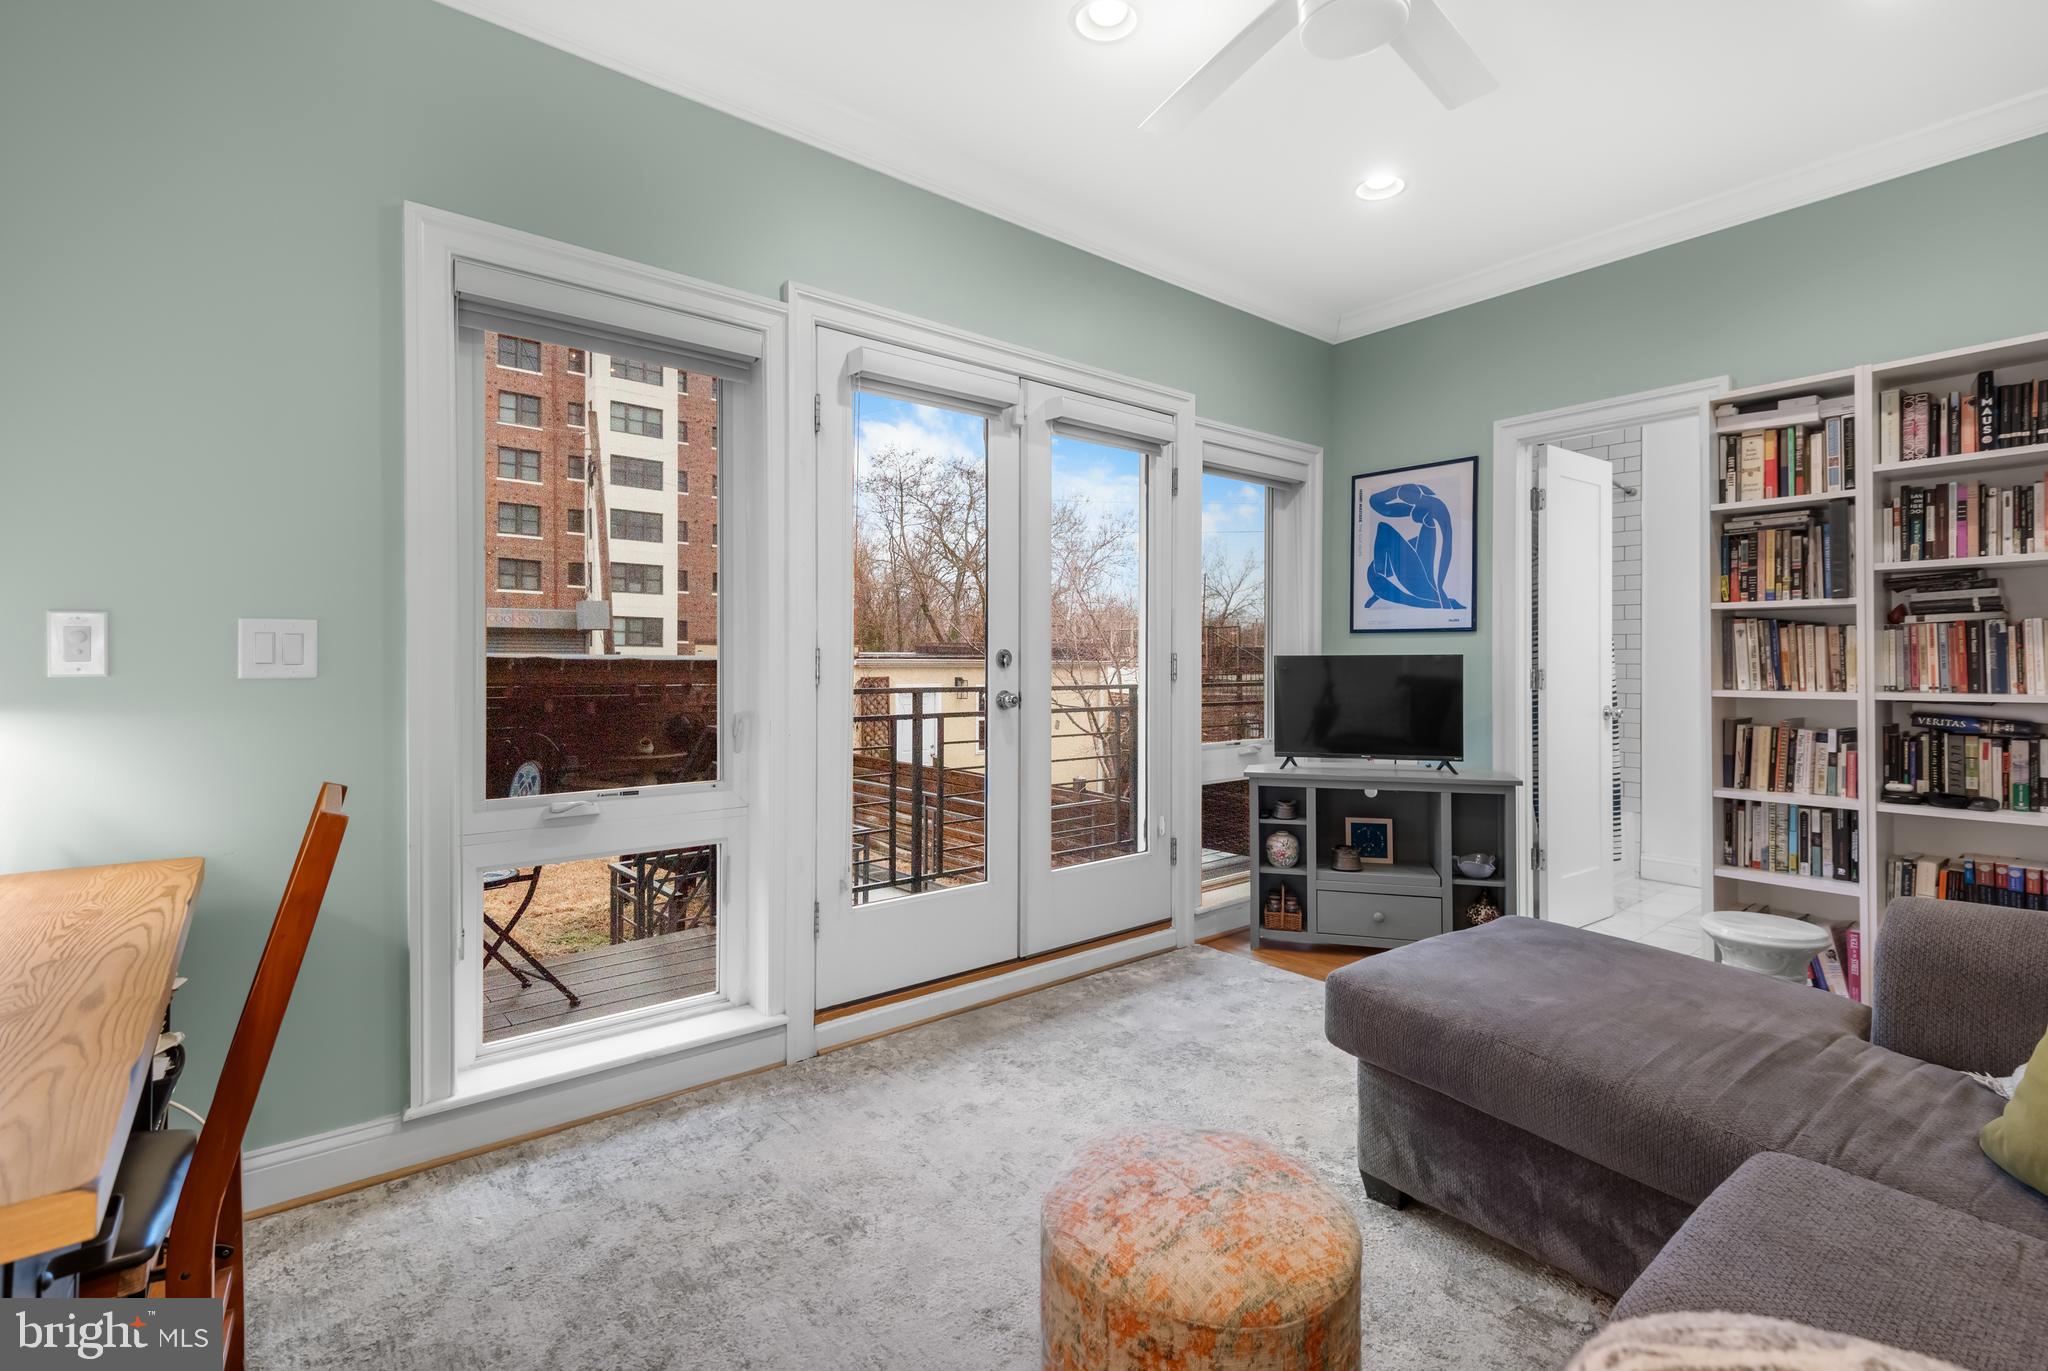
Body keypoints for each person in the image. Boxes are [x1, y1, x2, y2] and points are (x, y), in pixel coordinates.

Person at [1364, 482, 1462, 610]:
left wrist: (1439, 589)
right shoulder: (1434, 511)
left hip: (1424, 585)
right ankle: (1382, 583)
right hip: (1427, 584)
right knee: (1416, 541)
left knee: (1384, 529)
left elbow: (1444, 553)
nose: (1411, 512)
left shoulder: (1430, 510)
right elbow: (1376, 503)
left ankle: (1381, 579)